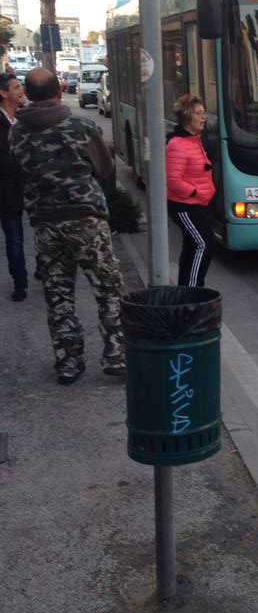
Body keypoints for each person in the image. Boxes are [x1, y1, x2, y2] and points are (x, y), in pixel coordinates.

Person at [10, 68, 125, 384]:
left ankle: (68, 362)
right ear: (59, 91)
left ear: (29, 95)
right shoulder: (81, 125)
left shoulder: (17, 132)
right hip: (87, 219)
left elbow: (21, 169)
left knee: (58, 292)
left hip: (46, 222)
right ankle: (116, 354)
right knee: (107, 287)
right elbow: (104, 168)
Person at [166, 94, 216, 287]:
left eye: (204, 113)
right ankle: (194, 292)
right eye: (199, 113)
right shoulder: (177, 145)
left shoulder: (194, 140)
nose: (204, 117)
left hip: (198, 204)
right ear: (187, 116)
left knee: (191, 246)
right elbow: (173, 181)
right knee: (204, 244)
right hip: (185, 205)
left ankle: (185, 289)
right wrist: (196, 193)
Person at [0, 71, 29, 301]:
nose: (21, 91)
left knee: (44, 234)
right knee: (15, 239)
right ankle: (20, 283)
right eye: (17, 87)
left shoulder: (27, 117)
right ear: (3, 93)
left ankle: (43, 269)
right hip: (8, 192)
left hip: (33, 190)